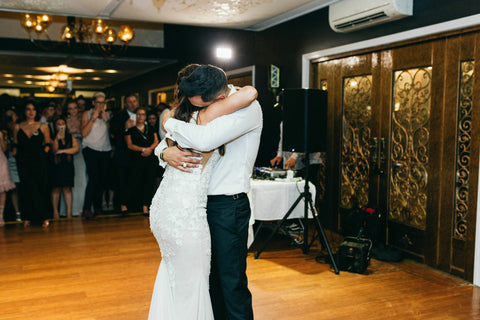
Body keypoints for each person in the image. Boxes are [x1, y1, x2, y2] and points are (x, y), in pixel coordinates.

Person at [154, 64, 262, 320]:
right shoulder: (207, 103)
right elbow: (178, 137)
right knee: (209, 282)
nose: (199, 110)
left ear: (220, 97)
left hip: (228, 206)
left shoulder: (247, 108)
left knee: (231, 283)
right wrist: (164, 151)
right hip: (195, 205)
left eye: (202, 105)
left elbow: (203, 140)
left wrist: (168, 122)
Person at [12, 102, 52, 228]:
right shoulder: (17, 126)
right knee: (26, 188)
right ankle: (27, 217)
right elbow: (15, 144)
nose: (31, 112)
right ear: (24, 111)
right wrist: (15, 153)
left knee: (41, 187)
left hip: (39, 161)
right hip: (23, 162)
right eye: (28, 109)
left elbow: (47, 145)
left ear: (37, 112)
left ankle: (44, 217)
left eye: (33, 109)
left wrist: (42, 156)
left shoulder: (43, 126)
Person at [123, 107, 159, 216]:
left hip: (149, 159)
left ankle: (145, 207)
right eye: (138, 114)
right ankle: (124, 205)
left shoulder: (150, 128)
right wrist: (143, 149)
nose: (140, 117)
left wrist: (149, 149)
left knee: (148, 182)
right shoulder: (131, 129)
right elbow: (129, 145)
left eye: (143, 114)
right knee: (132, 182)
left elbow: (156, 141)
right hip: (136, 159)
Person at [81, 92, 111, 219]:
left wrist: (106, 119)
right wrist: (93, 118)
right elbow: (83, 133)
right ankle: (87, 209)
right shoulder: (86, 114)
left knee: (102, 179)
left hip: (105, 149)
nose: (100, 105)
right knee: (93, 178)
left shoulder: (107, 114)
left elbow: (111, 132)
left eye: (102, 102)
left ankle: (97, 207)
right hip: (90, 148)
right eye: (98, 102)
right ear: (93, 103)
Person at [110, 93, 138, 213]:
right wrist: (125, 127)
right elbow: (113, 132)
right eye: (130, 102)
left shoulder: (141, 114)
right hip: (123, 153)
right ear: (126, 104)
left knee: (135, 179)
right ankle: (122, 205)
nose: (132, 104)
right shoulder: (119, 116)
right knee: (122, 180)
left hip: (138, 153)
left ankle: (135, 205)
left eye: (134, 101)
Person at [51, 116, 79, 219]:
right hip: (56, 165)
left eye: (62, 123)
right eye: (58, 124)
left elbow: (76, 149)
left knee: (67, 189)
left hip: (67, 165)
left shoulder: (70, 137)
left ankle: (69, 213)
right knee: (56, 189)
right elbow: (54, 151)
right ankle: (55, 212)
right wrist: (57, 139)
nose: (61, 126)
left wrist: (62, 151)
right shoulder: (52, 136)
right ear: (55, 126)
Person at [66, 100, 87, 216]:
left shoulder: (81, 120)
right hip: (68, 148)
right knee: (70, 178)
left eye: (75, 108)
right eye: (70, 108)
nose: (73, 110)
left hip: (81, 148)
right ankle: (69, 209)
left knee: (81, 178)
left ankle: (79, 208)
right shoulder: (65, 121)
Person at [0, 129, 15, 227]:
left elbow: (4, 148)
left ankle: (0, 215)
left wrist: (2, 138)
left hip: (0, 161)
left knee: (2, 189)